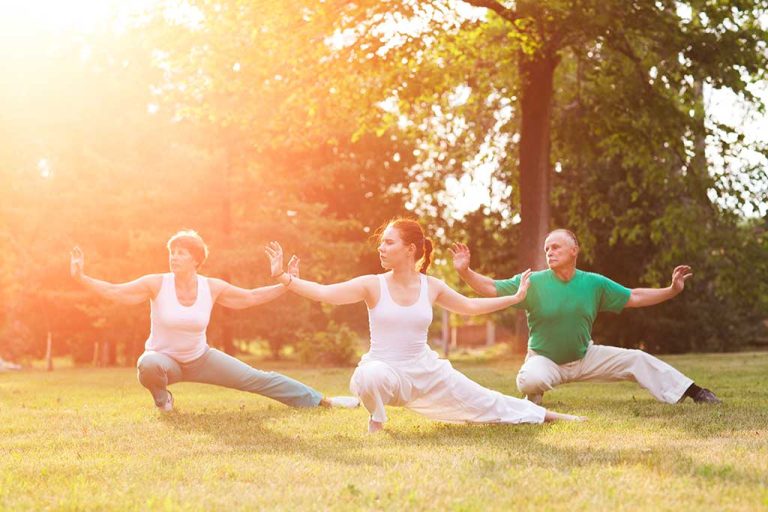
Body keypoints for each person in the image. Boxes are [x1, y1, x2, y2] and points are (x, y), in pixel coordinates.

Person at [265, 219, 586, 433]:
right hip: (385, 367)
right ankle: (377, 418)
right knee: (367, 376)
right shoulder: (372, 284)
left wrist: (515, 298)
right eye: (382, 243)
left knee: (487, 401)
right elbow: (326, 294)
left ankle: (548, 416)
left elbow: (470, 306)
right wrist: (284, 278)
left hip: (426, 371)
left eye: (388, 242)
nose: (381, 247)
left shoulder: (431, 286)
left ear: (410, 250)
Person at [70, 229, 359, 412]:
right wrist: (81, 278)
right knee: (148, 364)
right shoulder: (156, 283)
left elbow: (249, 298)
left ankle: (322, 400)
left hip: (200, 358)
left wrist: (286, 282)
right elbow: (115, 291)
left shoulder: (212, 286)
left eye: (181, 253)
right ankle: (163, 400)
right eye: (172, 252)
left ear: (196, 259)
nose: (174, 257)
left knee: (258, 379)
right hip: (163, 360)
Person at [450, 228, 721, 406]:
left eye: (556, 247)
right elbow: (490, 287)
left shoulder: (594, 283)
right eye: (546, 249)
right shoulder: (533, 281)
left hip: (584, 357)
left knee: (637, 358)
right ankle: (532, 400)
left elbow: (634, 296)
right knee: (531, 379)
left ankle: (695, 392)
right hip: (545, 359)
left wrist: (672, 289)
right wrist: (465, 272)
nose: (550, 252)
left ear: (574, 250)